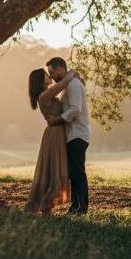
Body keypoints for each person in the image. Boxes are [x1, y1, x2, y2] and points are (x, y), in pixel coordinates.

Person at [24, 67, 79, 214]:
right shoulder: (44, 96)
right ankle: (45, 206)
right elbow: (62, 84)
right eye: (46, 75)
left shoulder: (46, 95)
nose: (49, 76)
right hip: (55, 134)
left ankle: (46, 207)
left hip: (57, 132)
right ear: (41, 81)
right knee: (53, 169)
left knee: (53, 168)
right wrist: (72, 72)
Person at [44, 57, 91, 214]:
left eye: (52, 72)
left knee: (77, 172)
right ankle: (76, 206)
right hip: (72, 134)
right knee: (74, 172)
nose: (51, 77)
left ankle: (80, 208)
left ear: (60, 69)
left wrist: (56, 120)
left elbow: (75, 109)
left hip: (77, 134)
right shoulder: (67, 85)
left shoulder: (73, 84)